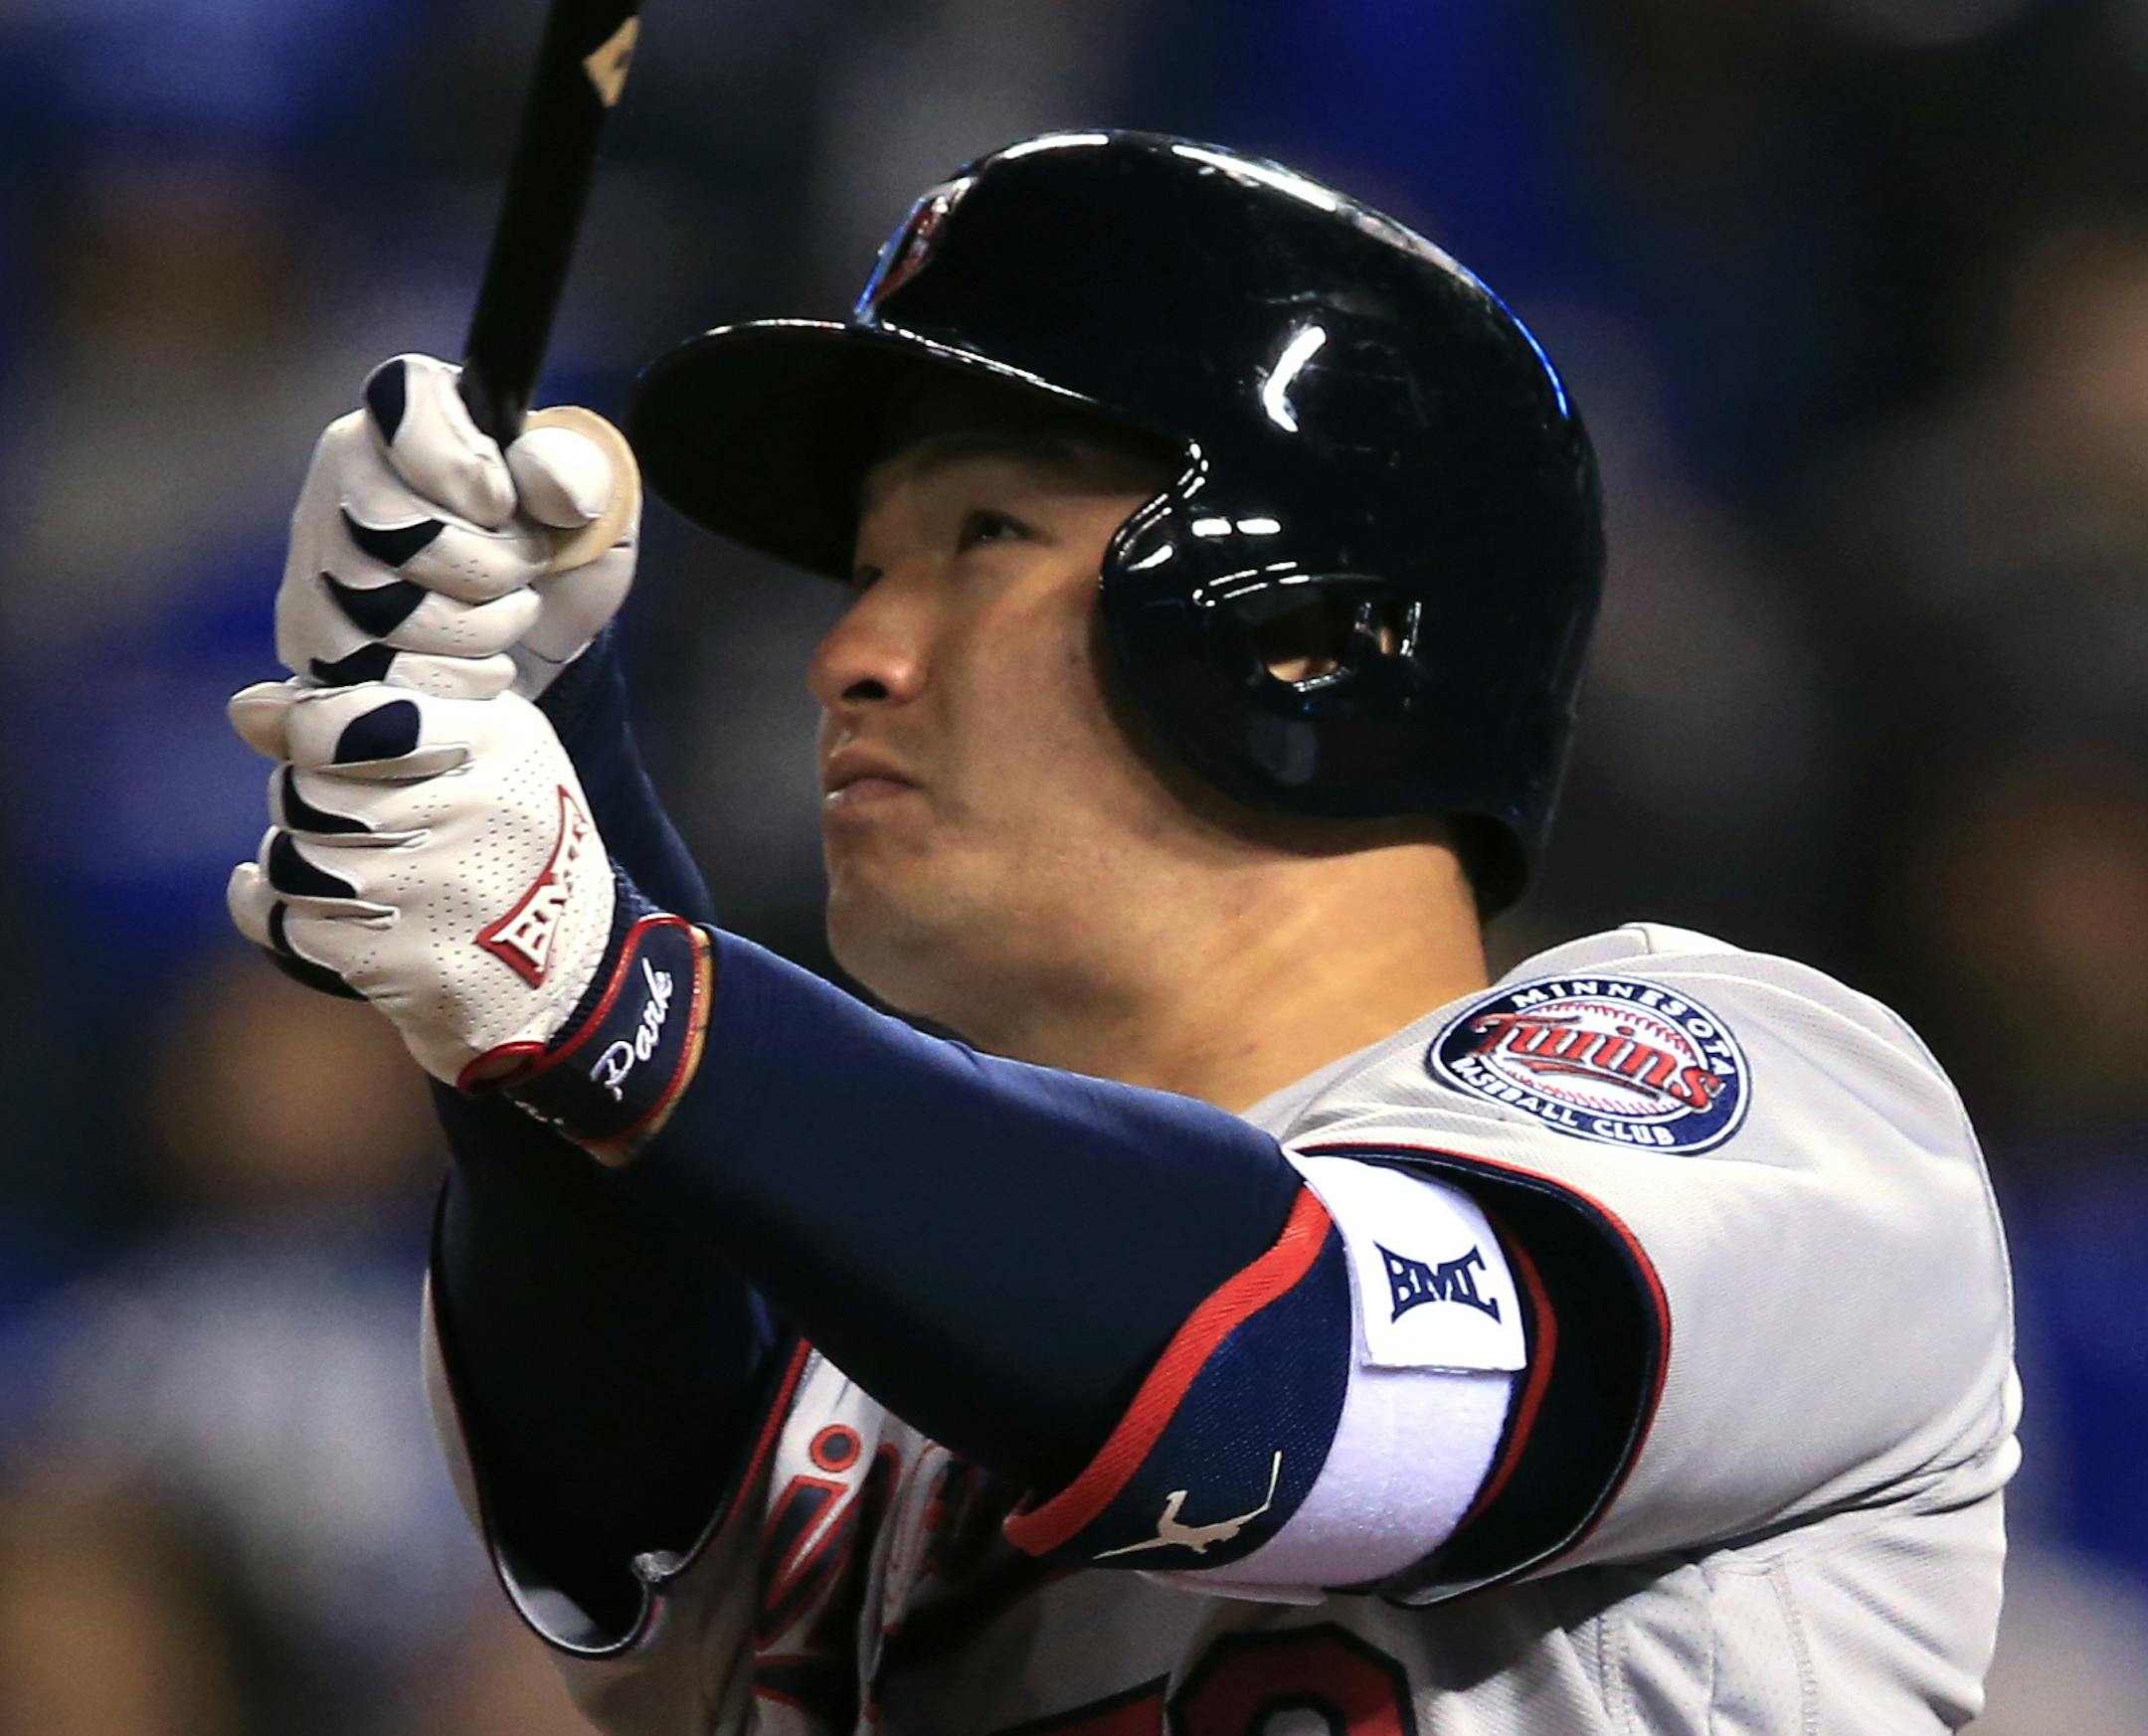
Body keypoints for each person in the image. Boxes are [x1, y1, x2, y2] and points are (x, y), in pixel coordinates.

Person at [225, 132, 2018, 1734]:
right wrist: (534, 714)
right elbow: (639, 1420)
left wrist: (610, 985)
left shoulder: (1780, 1105)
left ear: (1311, 635)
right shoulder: (893, 1347)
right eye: (862, 573)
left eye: (982, 535)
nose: (849, 655)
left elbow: (1292, 1374)